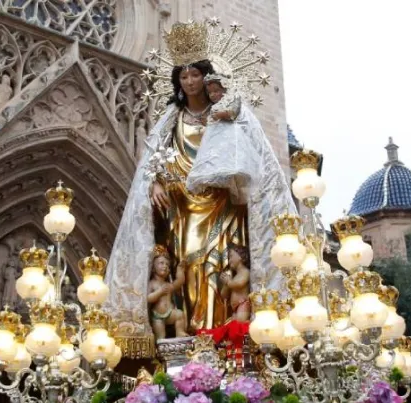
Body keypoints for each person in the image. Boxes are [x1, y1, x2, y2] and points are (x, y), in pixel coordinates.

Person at [103, 21, 296, 349]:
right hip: (182, 206)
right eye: (183, 76)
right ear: (177, 80)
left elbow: (256, 158)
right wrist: (155, 185)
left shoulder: (231, 114)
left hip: (224, 203)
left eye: (195, 74)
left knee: (224, 266)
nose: (190, 81)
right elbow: (153, 163)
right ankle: (192, 334)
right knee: (190, 265)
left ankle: (226, 336)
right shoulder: (170, 120)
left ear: (207, 78)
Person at [186, 74, 256, 205]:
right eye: (210, 92)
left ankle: (235, 187)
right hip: (214, 139)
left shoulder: (233, 99)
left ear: (225, 89)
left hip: (229, 136)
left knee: (229, 161)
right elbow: (211, 122)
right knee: (214, 158)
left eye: (216, 91)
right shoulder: (214, 107)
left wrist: (220, 115)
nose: (212, 95)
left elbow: (233, 113)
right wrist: (204, 121)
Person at [147, 245, 188, 340]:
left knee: (179, 314)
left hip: (169, 313)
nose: (165, 266)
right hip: (157, 316)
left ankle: (180, 332)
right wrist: (159, 292)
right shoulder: (152, 284)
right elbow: (148, 298)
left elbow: (179, 282)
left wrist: (180, 270)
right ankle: (161, 343)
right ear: (153, 267)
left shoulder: (168, 285)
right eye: (161, 263)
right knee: (161, 337)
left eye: (167, 265)